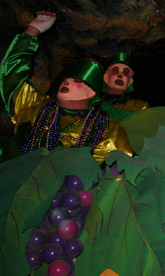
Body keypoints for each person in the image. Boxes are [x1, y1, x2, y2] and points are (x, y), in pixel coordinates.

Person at [1, 11, 133, 164]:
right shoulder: (34, 104)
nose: (66, 83)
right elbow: (12, 75)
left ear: (91, 93)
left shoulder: (108, 129)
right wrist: (33, 30)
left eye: (76, 81)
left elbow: (119, 170)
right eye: (66, 80)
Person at [100, 52, 150, 121]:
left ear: (129, 81)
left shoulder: (139, 106)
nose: (120, 75)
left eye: (125, 72)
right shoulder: (93, 103)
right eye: (115, 70)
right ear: (106, 77)